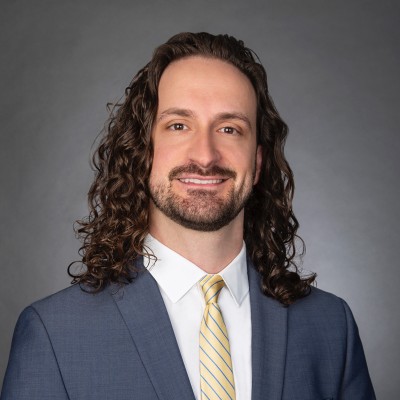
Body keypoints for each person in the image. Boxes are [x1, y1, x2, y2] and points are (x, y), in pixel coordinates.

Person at [1, 32, 375, 400]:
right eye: (179, 125)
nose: (205, 155)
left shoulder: (331, 327)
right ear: (143, 150)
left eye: (229, 129)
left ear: (258, 162)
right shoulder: (55, 334)